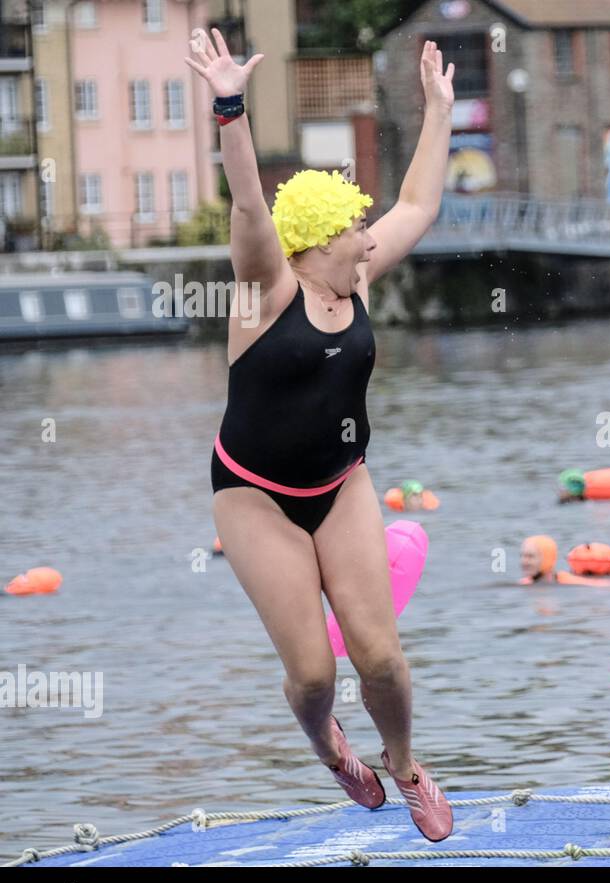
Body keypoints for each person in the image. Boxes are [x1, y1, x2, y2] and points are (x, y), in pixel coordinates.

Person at [188, 29, 457, 841]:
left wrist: (438, 111)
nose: (371, 239)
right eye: (356, 230)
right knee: (312, 672)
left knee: (380, 658)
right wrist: (229, 105)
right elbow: (245, 203)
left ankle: (406, 765)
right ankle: (329, 748)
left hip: (341, 482)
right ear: (318, 240)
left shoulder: (361, 275)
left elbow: (419, 205)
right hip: (254, 496)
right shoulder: (267, 286)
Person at [518, 535, 610, 587]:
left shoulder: (569, 581)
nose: (523, 561)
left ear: (546, 559)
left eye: (530, 557)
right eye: (522, 556)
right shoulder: (524, 584)